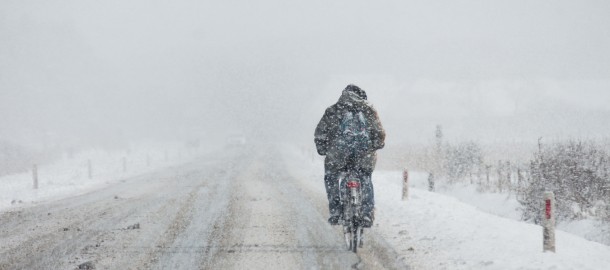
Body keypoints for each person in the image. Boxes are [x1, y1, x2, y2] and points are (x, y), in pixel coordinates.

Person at [314, 84, 385, 227]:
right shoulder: (369, 110)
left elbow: (320, 133)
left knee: (331, 177)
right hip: (363, 155)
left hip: (338, 156)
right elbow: (379, 133)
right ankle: (366, 214)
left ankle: (336, 212)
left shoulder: (333, 110)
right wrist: (376, 145)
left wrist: (322, 149)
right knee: (365, 177)